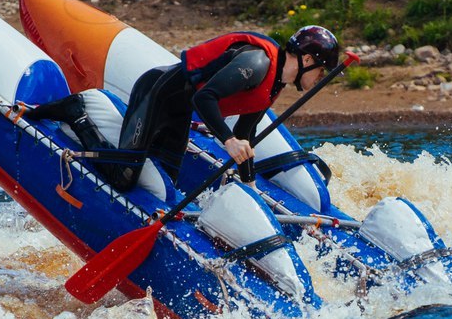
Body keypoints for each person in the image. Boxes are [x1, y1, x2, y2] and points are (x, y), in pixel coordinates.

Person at [24, 25, 339, 193]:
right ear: (308, 60)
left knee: (166, 188)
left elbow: (244, 134)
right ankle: (77, 112)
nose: (319, 79)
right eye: (321, 72)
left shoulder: (274, 85)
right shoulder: (257, 63)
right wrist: (227, 140)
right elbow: (205, 99)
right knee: (124, 178)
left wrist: (250, 184)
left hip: (178, 112)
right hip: (156, 94)